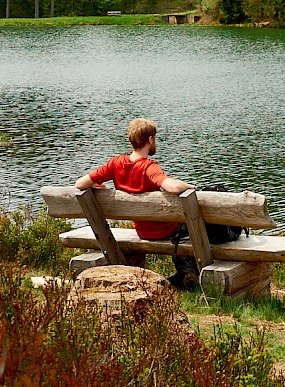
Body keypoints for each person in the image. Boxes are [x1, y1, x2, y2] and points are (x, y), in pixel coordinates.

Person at [75, 117, 199, 288]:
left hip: (141, 230)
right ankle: (187, 273)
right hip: (164, 230)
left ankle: (184, 274)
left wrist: (97, 184)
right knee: (193, 225)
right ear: (150, 140)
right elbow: (173, 187)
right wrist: (192, 186)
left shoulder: (116, 163)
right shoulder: (148, 167)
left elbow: (80, 184)